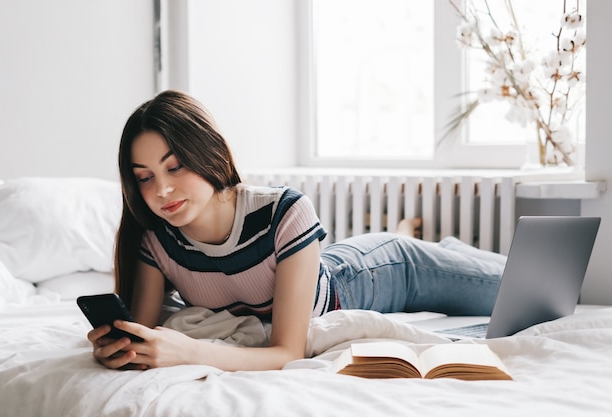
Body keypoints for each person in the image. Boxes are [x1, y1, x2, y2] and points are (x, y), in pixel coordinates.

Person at [88, 90, 507, 372]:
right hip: (330, 266)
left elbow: (288, 351)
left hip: (379, 271)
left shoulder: (282, 210)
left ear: (207, 152)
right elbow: (140, 340)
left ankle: (439, 249)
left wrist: (189, 352)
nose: (161, 190)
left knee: (522, 293)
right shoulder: (156, 241)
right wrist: (116, 349)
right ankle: (447, 248)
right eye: (143, 177)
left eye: (174, 167)